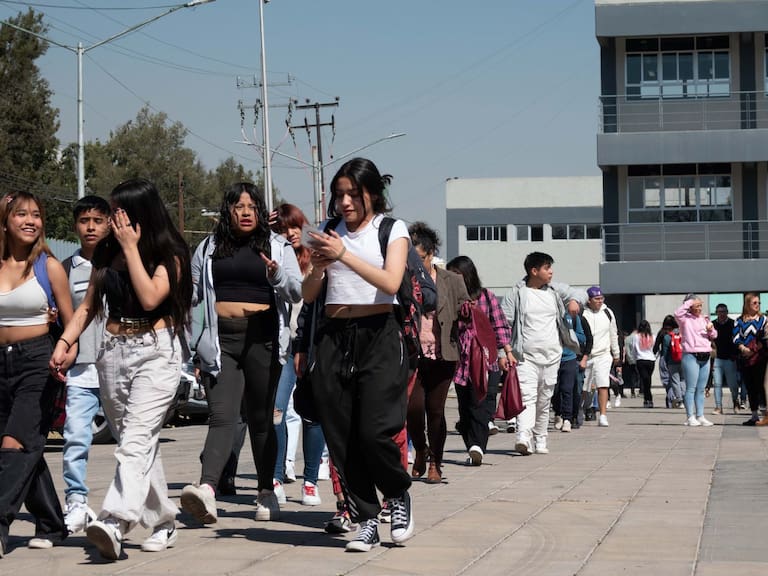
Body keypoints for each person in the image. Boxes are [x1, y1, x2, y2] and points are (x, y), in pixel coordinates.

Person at [50, 178, 192, 561]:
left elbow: (149, 298)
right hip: (112, 352)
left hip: (156, 353)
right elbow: (87, 307)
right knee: (138, 442)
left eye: (117, 211)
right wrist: (66, 342)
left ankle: (114, 520)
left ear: (138, 212)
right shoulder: (105, 252)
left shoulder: (171, 251)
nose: (111, 219)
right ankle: (163, 521)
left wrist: (130, 248)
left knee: (134, 441)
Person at [301, 157, 414, 553]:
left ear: (373, 194)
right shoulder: (328, 231)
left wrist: (343, 255)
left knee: (375, 430)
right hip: (333, 335)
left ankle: (397, 494)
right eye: (339, 195)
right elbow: (309, 294)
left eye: (353, 194)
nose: (345, 202)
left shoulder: (391, 229)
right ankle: (366, 518)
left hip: (379, 333)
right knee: (342, 436)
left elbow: (391, 281)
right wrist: (317, 266)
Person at [181, 183, 302, 524]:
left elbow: (296, 292)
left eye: (252, 206)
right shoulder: (207, 248)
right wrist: (192, 349)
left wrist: (277, 275)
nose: (246, 212)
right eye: (238, 206)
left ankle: (266, 490)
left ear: (261, 212)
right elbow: (193, 300)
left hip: (263, 339)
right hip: (222, 342)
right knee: (222, 416)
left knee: (262, 420)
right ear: (228, 211)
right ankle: (207, 489)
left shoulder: (278, 246)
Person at [0, 191, 73, 556]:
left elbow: (72, 326)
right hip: (0, 362)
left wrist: (65, 354)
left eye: (36, 215)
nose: (31, 221)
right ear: (5, 220)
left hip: (37, 362)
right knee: (26, 448)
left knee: (13, 444)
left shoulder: (49, 267)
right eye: (21, 214)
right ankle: (52, 524)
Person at [60, 196, 111, 535]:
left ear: (109, 223)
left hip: (120, 369)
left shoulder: (122, 262)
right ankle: (76, 502)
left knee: (134, 444)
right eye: (84, 220)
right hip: (81, 370)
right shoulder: (66, 268)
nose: (90, 226)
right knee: (75, 437)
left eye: (97, 220)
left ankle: (134, 508)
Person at [500, 252, 583, 455]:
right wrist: (502, 352)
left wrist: (574, 301)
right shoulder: (517, 294)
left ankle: (540, 438)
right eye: (547, 268)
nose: (551, 272)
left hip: (552, 355)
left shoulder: (554, 291)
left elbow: (581, 293)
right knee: (527, 397)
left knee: (544, 399)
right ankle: (523, 437)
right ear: (534, 271)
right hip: (525, 357)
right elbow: (503, 324)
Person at [270, 203, 325, 506]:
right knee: (276, 412)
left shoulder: (315, 259)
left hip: (312, 346)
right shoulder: (274, 256)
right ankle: (276, 477)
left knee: (312, 415)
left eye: (293, 227)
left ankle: (310, 482)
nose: (289, 234)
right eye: (281, 229)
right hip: (283, 346)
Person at [406, 222, 468, 483]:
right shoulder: (402, 278)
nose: (414, 264)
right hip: (412, 353)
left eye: (419, 258)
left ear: (430, 254)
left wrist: (465, 310)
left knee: (436, 411)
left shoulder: (451, 280)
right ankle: (420, 449)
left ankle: (436, 462)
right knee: (413, 408)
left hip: (444, 354)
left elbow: (464, 306)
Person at [446, 255, 509, 463]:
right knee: (465, 407)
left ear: (468, 275)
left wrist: (504, 352)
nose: (453, 279)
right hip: (460, 359)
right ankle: (471, 444)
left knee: (482, 402)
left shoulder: (486, 297)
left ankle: (477, 446)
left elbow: (499, 326)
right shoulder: (447, 298)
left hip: (485, 358)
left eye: (457, 275)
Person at [675, 295, 717, 427]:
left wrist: (711, 330)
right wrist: (691, 301)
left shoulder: (705, 319)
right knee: (691, 388)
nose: (699, 308)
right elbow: (677, 313)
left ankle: (700, 415)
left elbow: (714, 335)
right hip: (691, 355)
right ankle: (690, 416)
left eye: (700, 305)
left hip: (705, 354)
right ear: (690, 305)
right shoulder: (684, 319)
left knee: (701, 388)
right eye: (697, 305)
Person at [582, 286, 620, 427]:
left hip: (603, 354)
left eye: (601, 298)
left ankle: (603, 415)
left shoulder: (607, 312)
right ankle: (581, 410)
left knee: (603, 385)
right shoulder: (583, 313)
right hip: (586, 355)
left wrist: (616, 354)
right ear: (589, 300)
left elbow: (613, 334)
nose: (599, 301)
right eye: (596, 299)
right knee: (584, 387)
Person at [555, 298, 592, 433]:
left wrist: (568, 334)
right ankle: (558, 413)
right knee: (555, 390)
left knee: (568, 389)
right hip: (553, 358)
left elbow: (583, 338)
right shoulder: (551, 318)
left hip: (570, 357)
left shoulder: (575, 319)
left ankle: (568, 419)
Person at [733, 293, 767, 426]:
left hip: (760, 357)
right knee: (750, 386)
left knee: (761, 386)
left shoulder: (764, 320)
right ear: (747, 304)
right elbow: (736, 337)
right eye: (754, 303)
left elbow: (765, 338)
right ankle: (754, 415)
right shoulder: (739, 320)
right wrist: (743, 349)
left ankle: (765, 414)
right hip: (745, 358)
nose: (757, 305)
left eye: (759, 302)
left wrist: (753, 350)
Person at [711, 303, 739, 415]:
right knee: (717, 383)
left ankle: (735, 401)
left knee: (732, 384)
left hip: (730, 358)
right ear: (716, 312)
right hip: (717, 358)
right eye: (719, 311)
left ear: (727, 312)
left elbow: (737, 340)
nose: (721, 314)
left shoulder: (733, 324)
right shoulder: (712, 325)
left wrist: (735, 354)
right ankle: (718, 406)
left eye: (723, 311)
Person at [633, 320, 656, 408]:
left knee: (645, 379)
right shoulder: (653, 336)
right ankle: (648, 398)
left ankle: (648, 399)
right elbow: (655, 348)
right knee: (647, 379)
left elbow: (634, 348)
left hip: (641, 360)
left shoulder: (636, 337)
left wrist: (635, 357)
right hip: (650, 360)